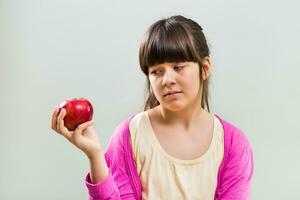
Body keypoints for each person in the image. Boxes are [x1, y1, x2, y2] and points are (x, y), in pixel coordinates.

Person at [51, 15, 254, 200]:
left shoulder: (233, 143)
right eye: (157, 71)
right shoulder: (129, 135)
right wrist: (95, 155)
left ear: (205, 68)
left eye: (178, 67)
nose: (167, 80)